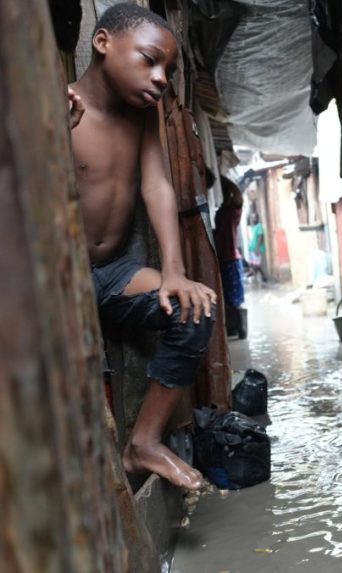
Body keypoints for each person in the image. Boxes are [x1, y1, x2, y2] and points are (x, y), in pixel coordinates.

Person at [68, 3, 215, 491]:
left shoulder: (144, 115)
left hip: (110, 272)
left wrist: (173, 270)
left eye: (168, 70)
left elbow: (156, 186)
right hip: (48, 284)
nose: (160, 78)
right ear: (103, 42)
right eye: (150, 60)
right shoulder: (59, 108)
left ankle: (143, 443)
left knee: (193, 312)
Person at [213, 176, 246, 338]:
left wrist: (222, 177)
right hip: (222, 258)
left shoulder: (233, 211)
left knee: (233, 297)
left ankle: (240, 328)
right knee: (226, 296)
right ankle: (233, 327)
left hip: (230, 258)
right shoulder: (220, 213)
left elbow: (239, 195)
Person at [246, 210, 267, 282]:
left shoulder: (259, 226)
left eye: (254, 218)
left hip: (257, 249)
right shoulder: (253, 227)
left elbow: (260, 237)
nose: (253, 219)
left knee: (257, 265)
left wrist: (257, 248)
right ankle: (256, 275)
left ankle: (263, 276)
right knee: (252, 264)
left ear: (257, 218)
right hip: (251, 249)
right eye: (252, 218)